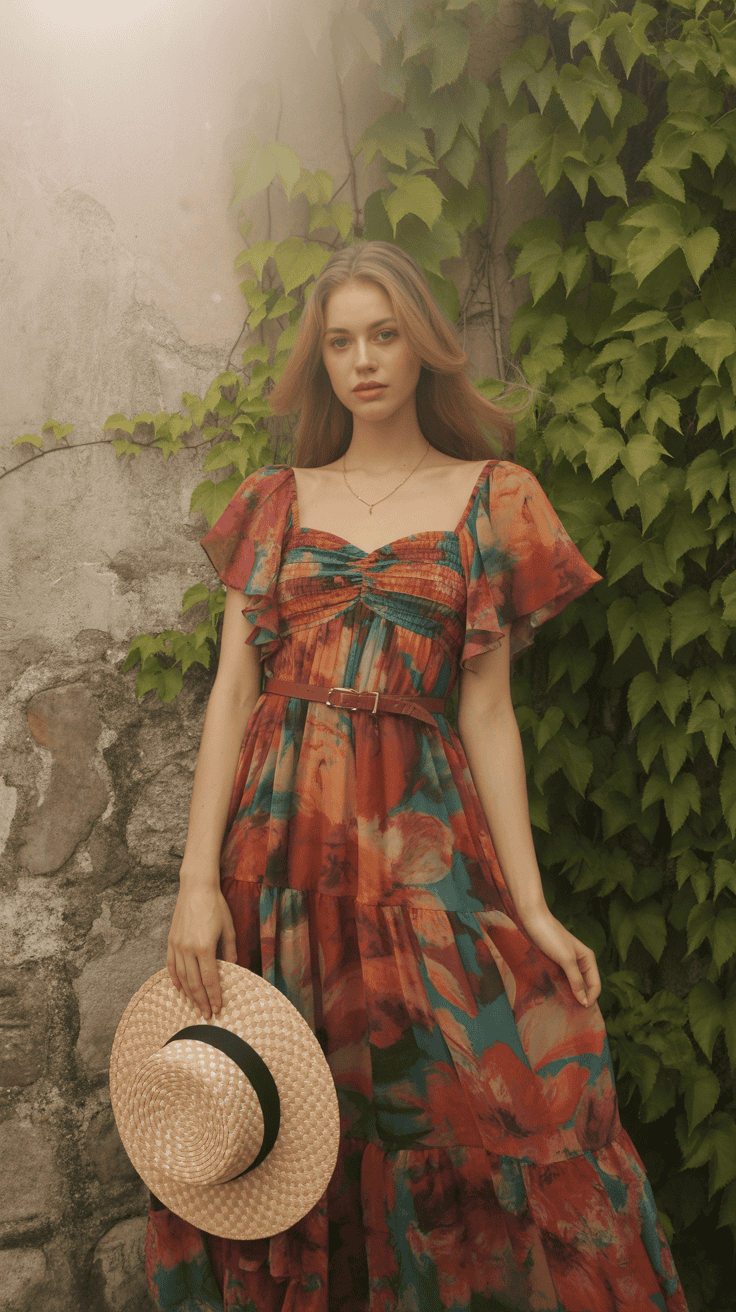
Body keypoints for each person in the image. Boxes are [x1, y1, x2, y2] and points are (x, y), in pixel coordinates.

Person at [146, 241, 688, 1311]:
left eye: (383, 334)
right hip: (274, 850)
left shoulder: (492, 496)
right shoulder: (272, 499)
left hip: (420, 840)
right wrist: (195, 882)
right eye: (340, 341)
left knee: (478, 1100)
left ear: (422, 345)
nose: (363, 359)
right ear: (320, 362)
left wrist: (529, 903)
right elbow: (229, 693)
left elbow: (487, 710)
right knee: (289, 1121)